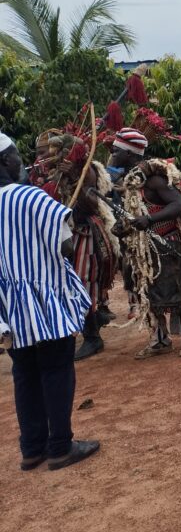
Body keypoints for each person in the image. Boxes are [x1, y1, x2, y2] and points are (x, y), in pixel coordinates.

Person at [0, 132, 100, 471]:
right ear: (5, 160)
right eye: (16, 154)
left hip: (9, 308)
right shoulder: (31, 196)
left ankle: (32, 449)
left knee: (24, 372)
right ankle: (60, 447)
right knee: (56, 368)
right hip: (44, 302)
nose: (21, 160)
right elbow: (66, 246)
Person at [110, 128, 181, 359]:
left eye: (116, 150)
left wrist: (150, 220)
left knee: (178, 292)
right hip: (146, 249)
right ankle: (160, 340)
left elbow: (180, 205)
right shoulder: (131, 182)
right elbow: (138, 213)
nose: (112, 154)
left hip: (169, 244)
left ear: (129, 153)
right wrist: (124, 226)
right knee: (149, 293)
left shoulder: (153, 179)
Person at [52, 137, 119, 361]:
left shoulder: (86, 171)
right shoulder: (63, 172)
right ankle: (94, 320)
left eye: (61, 153)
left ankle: (93, 338)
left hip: (87, 232)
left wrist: (74, 177)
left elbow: (91, 204)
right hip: (71, 232)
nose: (57, 157)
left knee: (83, 282)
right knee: (72, 282)